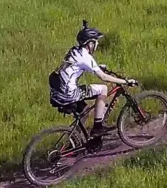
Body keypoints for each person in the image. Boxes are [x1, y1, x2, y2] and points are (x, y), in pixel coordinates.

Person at [49, 21, 137, 152]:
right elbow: (104, 77)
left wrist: (96, 66)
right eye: (95, 42)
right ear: (90, 43)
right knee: (103, 89)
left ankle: (72, 143)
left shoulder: (74, 51)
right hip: (69, 93)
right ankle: (97, 128)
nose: (97, 44)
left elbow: (75, 65)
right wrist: (125, 82)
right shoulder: (86, 58)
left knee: (83, 112)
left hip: (57, 92)